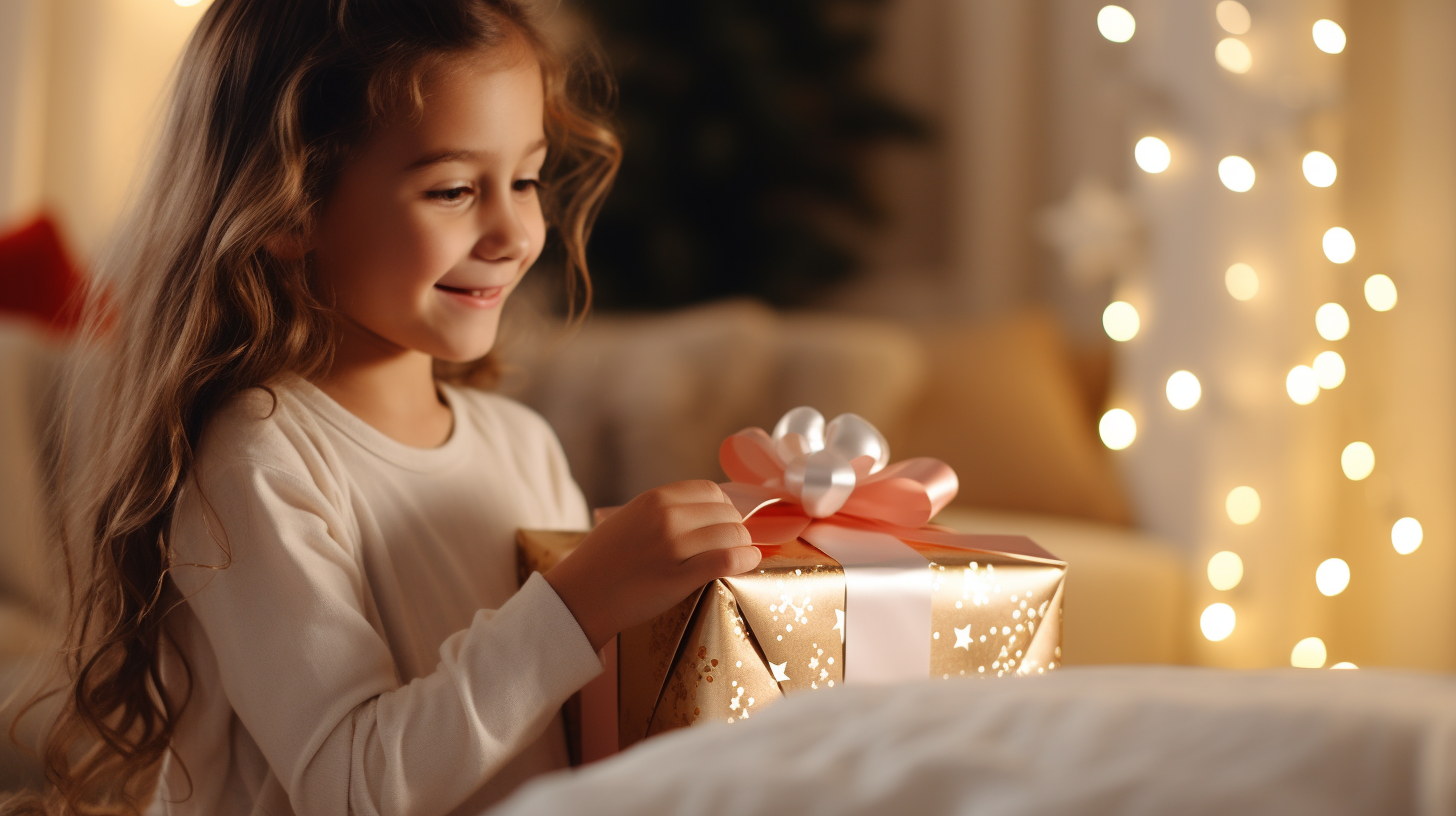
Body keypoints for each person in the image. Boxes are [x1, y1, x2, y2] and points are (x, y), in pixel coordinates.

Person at [4, 1, 761, 814]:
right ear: (290, 208)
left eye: (527, 179)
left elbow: (572, 726)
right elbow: (350, 785)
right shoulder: (257, 459)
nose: (513, 231)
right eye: (454, 189)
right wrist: (582, 600)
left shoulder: (523, 446)